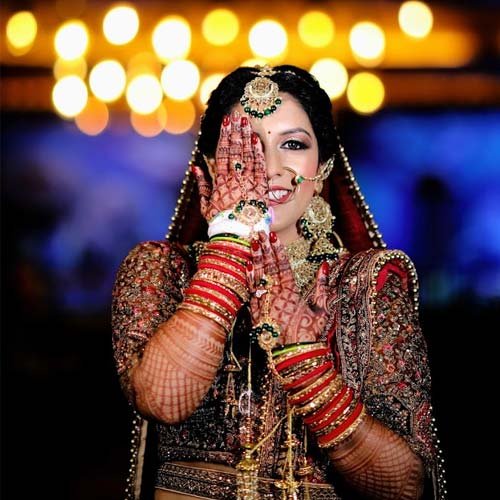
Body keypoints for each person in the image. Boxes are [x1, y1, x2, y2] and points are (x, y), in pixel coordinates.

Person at [112, 65, 446, 500]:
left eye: (292, 144)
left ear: (323, 168)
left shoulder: (368, 285)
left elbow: (404, 486)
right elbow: (163, 400)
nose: (269, 167)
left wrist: (309, 367)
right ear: (210, 167)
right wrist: (230, 247)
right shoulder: (160, 269)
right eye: (245, 145)